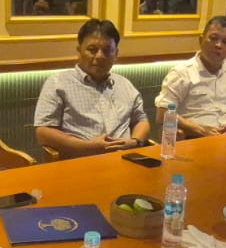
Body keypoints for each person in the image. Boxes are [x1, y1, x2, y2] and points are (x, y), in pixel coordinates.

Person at [34, 18, 151, 157]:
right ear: (79, 51)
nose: (100, 56)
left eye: (107, 50)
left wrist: (135, 141)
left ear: (116, 54)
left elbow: (141, 120)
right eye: (92, 50)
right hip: (80, 161)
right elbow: (43, 132)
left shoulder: (125, 84)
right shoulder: (58, 83)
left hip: (125, 159)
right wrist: (87, 147)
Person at [157, 16, 226, 137]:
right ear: (201, 40)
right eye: (213, 38)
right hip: (192, 137)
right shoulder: (181, 72)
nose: (218, 45)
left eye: (225, 42)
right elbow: (163, 113)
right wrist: (200, 130)